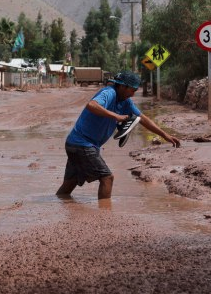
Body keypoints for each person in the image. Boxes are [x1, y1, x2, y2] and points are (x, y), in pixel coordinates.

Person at [56, 70, 181, 200]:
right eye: (132, 90)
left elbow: (142, 119)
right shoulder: (109, 93)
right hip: (83, 145)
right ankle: (105, 217)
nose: (133, 94)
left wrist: (165, 135)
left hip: (75, 144)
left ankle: (60, 208)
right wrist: (117, 116)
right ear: (122, 86)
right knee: (107, 178)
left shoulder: (125, 101)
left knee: (69, 184)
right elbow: (92, 105)